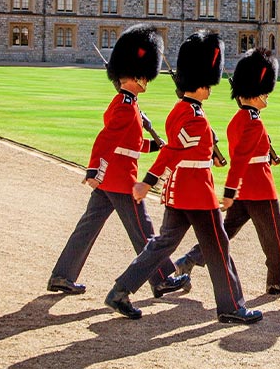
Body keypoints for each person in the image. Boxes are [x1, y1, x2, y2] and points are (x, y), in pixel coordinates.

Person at [105, 31, 261, 324]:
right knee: (218, 247)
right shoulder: (195, 116)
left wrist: (210, 154)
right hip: (196, 193)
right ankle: (231, 307)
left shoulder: (183, 111)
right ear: (202, 84)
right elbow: (173, 151)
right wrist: (147, 182)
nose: (210, 90)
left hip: (180, 192)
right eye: (208, 85)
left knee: (161, 245)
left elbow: (185, 147)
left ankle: (120, 290)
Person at [48, 24, 190, 299]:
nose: (148, 81)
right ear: (138, 76)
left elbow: (128, 144)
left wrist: (153, 146)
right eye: (146, 77)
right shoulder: (126, 107)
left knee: (87, 228)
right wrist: (94, 169)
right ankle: (162, 278)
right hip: (121, 180)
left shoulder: (127, 103)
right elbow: (106, 140)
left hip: (111, 180)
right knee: (145, 230)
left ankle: (62, 275)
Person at [173, 48, 280, 296]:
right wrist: (230, 189)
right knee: (274, 238)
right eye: (263, 91)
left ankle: (188, 260)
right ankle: (278, 280)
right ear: (253, 93)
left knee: (224, 233)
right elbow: (242, 158)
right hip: (260, 187)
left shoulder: (239, 119)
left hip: (244, 188)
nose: (267, 95)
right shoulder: (253, 121)